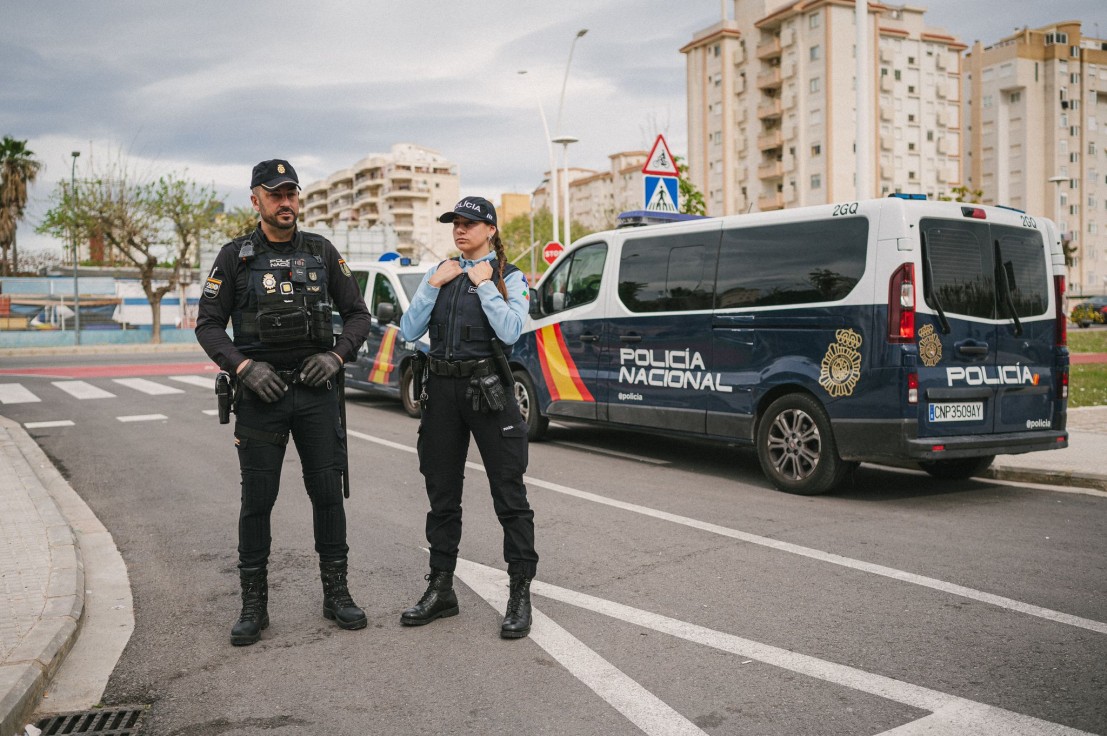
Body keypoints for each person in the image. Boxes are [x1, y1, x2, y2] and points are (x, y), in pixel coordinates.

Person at [196, 159, 372, 646]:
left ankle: (336, 593)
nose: (286, 202)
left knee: (326, 493)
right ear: (256, 199)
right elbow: (208, 324)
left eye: (292, 193)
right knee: (258, 500)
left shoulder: (320, 251)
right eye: (275, 194)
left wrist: (337, 357)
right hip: (260, 396)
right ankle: (255, 605)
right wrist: (244, 368)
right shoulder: (236, 258)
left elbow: (358, 315)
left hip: (316, 394)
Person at [399, 196, 538, 639]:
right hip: (441, 391)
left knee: (509, 493)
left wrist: (485, 286)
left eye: (470, 224)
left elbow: (512, 331)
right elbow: (408, 330)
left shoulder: (509, 278)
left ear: (491, 230)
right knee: (441, 493)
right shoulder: (440, 273)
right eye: (455, 223)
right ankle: (441, 589)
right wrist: (431, 286)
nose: (460, 230)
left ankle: (519, 592)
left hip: (488, 392)